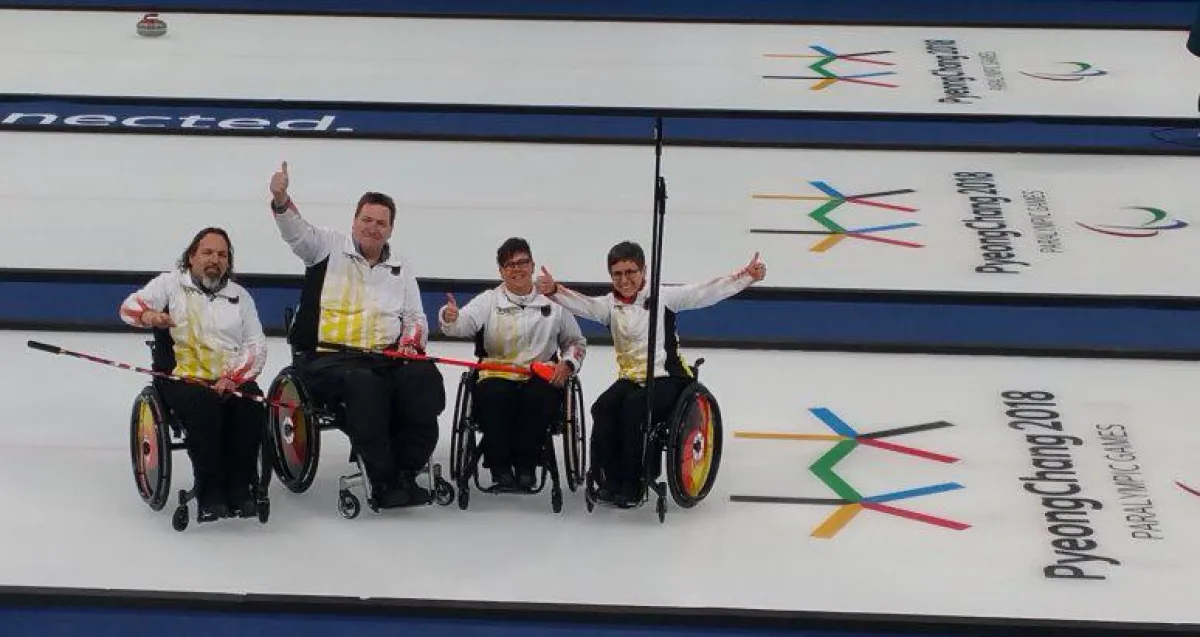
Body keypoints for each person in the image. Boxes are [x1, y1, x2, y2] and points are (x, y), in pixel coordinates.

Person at [267, 162, 444, 508]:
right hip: (326, 359)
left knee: (422, 380)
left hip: (385, 358)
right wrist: (280, 199)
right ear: (354, 221)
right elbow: (295, 232)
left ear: (391, 229)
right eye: (367, 220)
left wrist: (410, 344)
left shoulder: (401, 268)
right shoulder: (326, 247)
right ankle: (383, 479)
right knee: (366, 386)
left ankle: (407, 470)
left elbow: (415, 318)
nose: (373, 228)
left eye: (381, 223)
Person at [536, 241, 766, 506]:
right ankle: (610, 479)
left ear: (643, 270)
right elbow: (583, 304)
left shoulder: (664, 297)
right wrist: (554, 291)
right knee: (602, 407)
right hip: (631, 379)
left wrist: (746, 276)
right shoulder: (609, 305)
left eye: (630, 272)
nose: (624, 279)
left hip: (669, 378)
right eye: (617, 274)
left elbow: (706, 292)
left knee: (635, 409)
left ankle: (634, 485)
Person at [119, 227, 268, 522]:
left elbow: (257, 344)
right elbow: (128, 308)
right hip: (182, 378)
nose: (215, 259)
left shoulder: (241, 297)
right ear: (191, 257)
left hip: (229, 378)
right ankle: (210, 490)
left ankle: (240, 488)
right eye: (208, 253)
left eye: (222, 255)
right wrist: (150, 316)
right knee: (204, 409)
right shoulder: (169, 285)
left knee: (252, 403)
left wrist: (234, 378)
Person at [438, 237, 586, 490]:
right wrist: (449, 317)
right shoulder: (489, 300)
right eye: (509, 265)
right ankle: (500, 466)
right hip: (497, 372)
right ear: (501, 271)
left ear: (532, 265)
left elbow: (576, 342)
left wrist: (568, 364)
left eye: (522, 263)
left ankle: (527, 465)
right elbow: (463, 324)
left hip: (540, 374)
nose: (516, 269)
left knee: (538, 400)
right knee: (496, 397)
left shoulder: (554, 302)